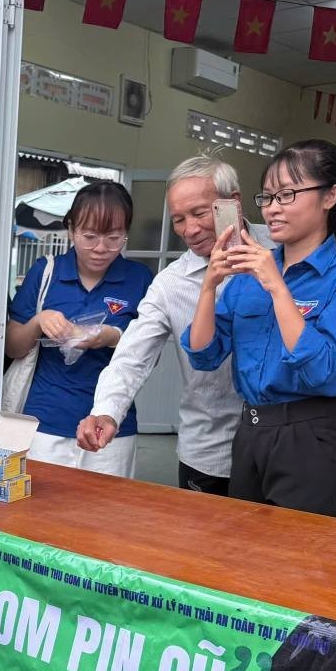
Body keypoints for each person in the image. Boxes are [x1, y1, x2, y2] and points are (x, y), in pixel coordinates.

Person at [182, 139, 336, 519]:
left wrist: (275, 284)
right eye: (267, 197)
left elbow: (320, 365)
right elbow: (205, 355)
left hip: (316, 435)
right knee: (247, 556)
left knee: (305, 562)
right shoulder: (249, 271)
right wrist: (209, 286)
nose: (272, 208)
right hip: (252, 431)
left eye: (286, 195)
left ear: (330, 196)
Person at [76, 156, 273, 495]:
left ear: (234, 202)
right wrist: (106, 412)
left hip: (282, 449)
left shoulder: (282, 251)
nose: (189, 230)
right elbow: (132, 355)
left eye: (199, 213)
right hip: (211, 452)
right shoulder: (171, 283)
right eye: (179, 219)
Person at [5, 180, 153, 476]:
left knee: (102, 518)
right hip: (44, 424)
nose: (101, 248)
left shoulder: (139, 279)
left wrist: (111, 336)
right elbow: (12, 346)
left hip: (110, 429)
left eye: (114, 237)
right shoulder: (46, 272)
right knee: (38, 518)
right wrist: (38, 321)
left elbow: (148, 352)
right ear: (71, 229)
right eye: (89, 236)